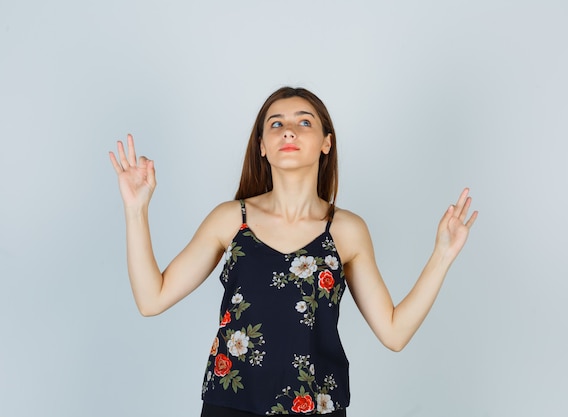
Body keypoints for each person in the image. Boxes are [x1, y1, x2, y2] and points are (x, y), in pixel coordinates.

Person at [109, 87, 478, 416]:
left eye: (304, 122)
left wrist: (442, 255)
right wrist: (136, 209)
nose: (289, 130)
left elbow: (394, 334)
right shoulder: (230, 219)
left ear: (325, 143)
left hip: (316, 405)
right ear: (262, 146)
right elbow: (151, 299)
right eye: (276, 124)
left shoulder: (346, 230)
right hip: (231, 404)